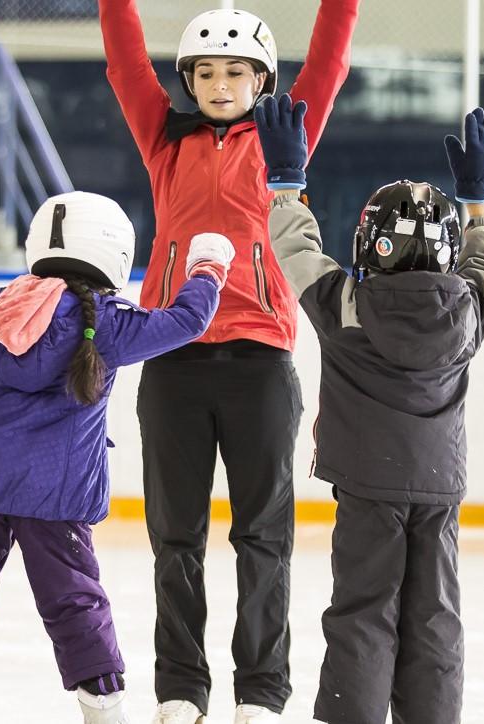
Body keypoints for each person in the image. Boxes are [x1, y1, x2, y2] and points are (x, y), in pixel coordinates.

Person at [0, 191, 235, 724]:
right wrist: (207, 265)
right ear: (113, 250)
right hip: (55, 493)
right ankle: (102, 707)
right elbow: (187, 321)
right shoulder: (106, 323)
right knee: (73, 602)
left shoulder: (3, 308)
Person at [97, 1, 360, 721]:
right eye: (205, 71)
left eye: (235, 71)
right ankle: (181, 688)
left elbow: (330, 63)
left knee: (262, 539)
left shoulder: (287, 141)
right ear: (188, 80)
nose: (219, 84)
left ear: (262, 80)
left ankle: (261, 692)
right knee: (173, 539)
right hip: (173, 360)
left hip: (261, 362)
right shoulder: (164, 142)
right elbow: (125, 66)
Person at [255, 96, 484, 724]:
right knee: (435, 616)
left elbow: (295, 253)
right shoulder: (469, 314)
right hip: (438, 486)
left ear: (371, 242)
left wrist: (287, 184)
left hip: (369, 485)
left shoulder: (345, 305)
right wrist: (479, 201)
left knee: (365, 610)